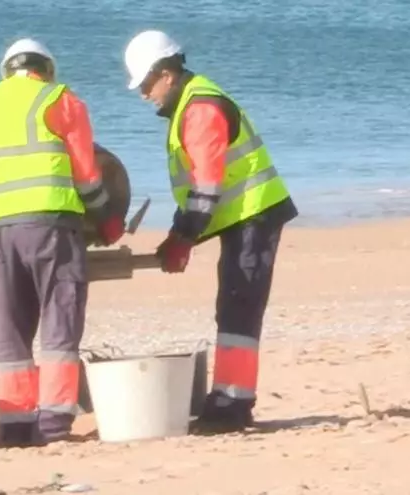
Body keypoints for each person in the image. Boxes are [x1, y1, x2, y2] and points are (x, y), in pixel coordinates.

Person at [122, 30, 300, 432]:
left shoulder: (200, 108)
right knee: (233, 305)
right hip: (240, 216)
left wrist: (182, 240)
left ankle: (234, 404)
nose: (144, 93)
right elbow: (198, 194)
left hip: (254, 213)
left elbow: (206, 189)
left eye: (146, 84)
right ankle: (228, 396)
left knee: (240, 304)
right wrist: (178, 235)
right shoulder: (190, 103)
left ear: (166, 73)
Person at [0, 38, 125, 446]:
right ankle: (54, 422)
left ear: (6, 71)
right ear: (47, 69)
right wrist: (107, 219)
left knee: (11, 328)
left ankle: (15, 424)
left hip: (0, 230)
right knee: (60, 321)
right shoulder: (61, 99)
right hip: (52, 224)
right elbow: (87, 174)